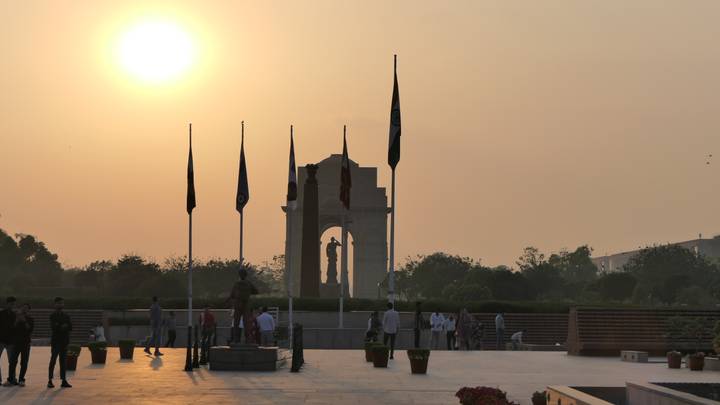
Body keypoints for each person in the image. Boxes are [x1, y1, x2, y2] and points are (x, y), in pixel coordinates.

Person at [228, 268, 258, 344]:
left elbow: (232, 295)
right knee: (246, 323)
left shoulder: (236, 284)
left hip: (238, 305)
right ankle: (248, 339)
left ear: (239, 275)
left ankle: (235, 340)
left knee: (236, 323)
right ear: (246, 275)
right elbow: (256, 291)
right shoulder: (249, 283)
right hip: (246, 305)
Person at [48, 297, 72, 388]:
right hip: (56, 341)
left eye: (62, 303)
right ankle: (50, 380)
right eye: (58, 303)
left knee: (63, 361)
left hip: (64, 341)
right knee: (53, 360)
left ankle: (64, 380)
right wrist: (63, 326)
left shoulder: (66, 315)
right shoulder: (52, 315)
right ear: (55, 305)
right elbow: (54, 327)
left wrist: (61, 325)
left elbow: (70, 327)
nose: (60, 305)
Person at [8, 303, 33, 387]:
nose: (24, 309)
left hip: (26, 343)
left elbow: (29, 330)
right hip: (16, 343)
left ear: (29, 310)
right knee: (12, 361)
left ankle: (21, 379)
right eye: (23, 308)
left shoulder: (30, 319)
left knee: (24, 362)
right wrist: (17, 321)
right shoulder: (16, 319)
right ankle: (11, 379)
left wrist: (24, 321)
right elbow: (12, 330)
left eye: (26, 308)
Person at [0, 296, 17, 386]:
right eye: (11, 304)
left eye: (13, 304)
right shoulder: (1, 313)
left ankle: (12, 378)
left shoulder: (14, 315)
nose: (12, 305)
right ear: (7, 304)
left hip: (10, 341)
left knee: (12, 361)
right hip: (1, 340)